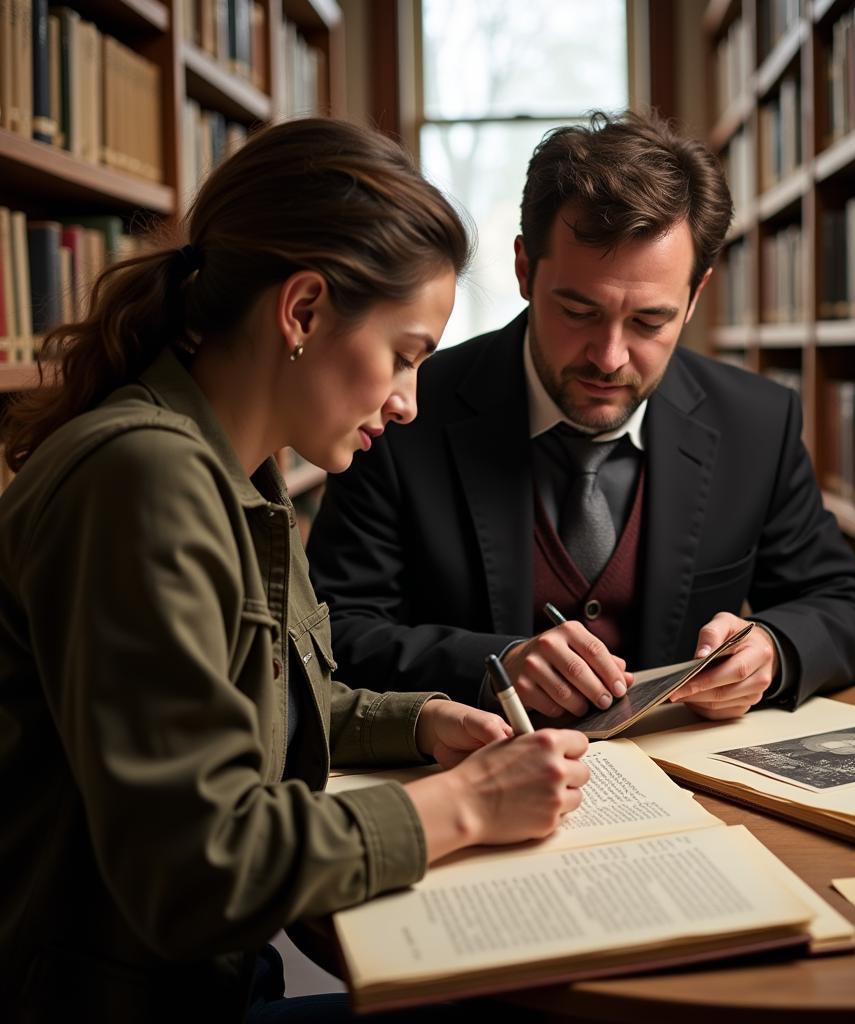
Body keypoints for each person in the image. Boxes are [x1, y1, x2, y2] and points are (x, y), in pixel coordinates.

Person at [0, 118, 589, 1024]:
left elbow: (263, 708)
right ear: (304, 310)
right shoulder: (145, 481)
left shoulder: (239, 472)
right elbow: (198, 866)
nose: (407, 402)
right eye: (404, 355)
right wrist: (467, 805)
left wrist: (426, 723)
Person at [306, 111, 855, 722]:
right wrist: (496, 664)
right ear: (525, 270)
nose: (609, 358)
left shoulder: (756, 422)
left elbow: (850, 608)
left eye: (649, 321)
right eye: (579, 312)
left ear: (695, 296)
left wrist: (773, 650)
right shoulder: (402, 415)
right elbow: (334, 631)